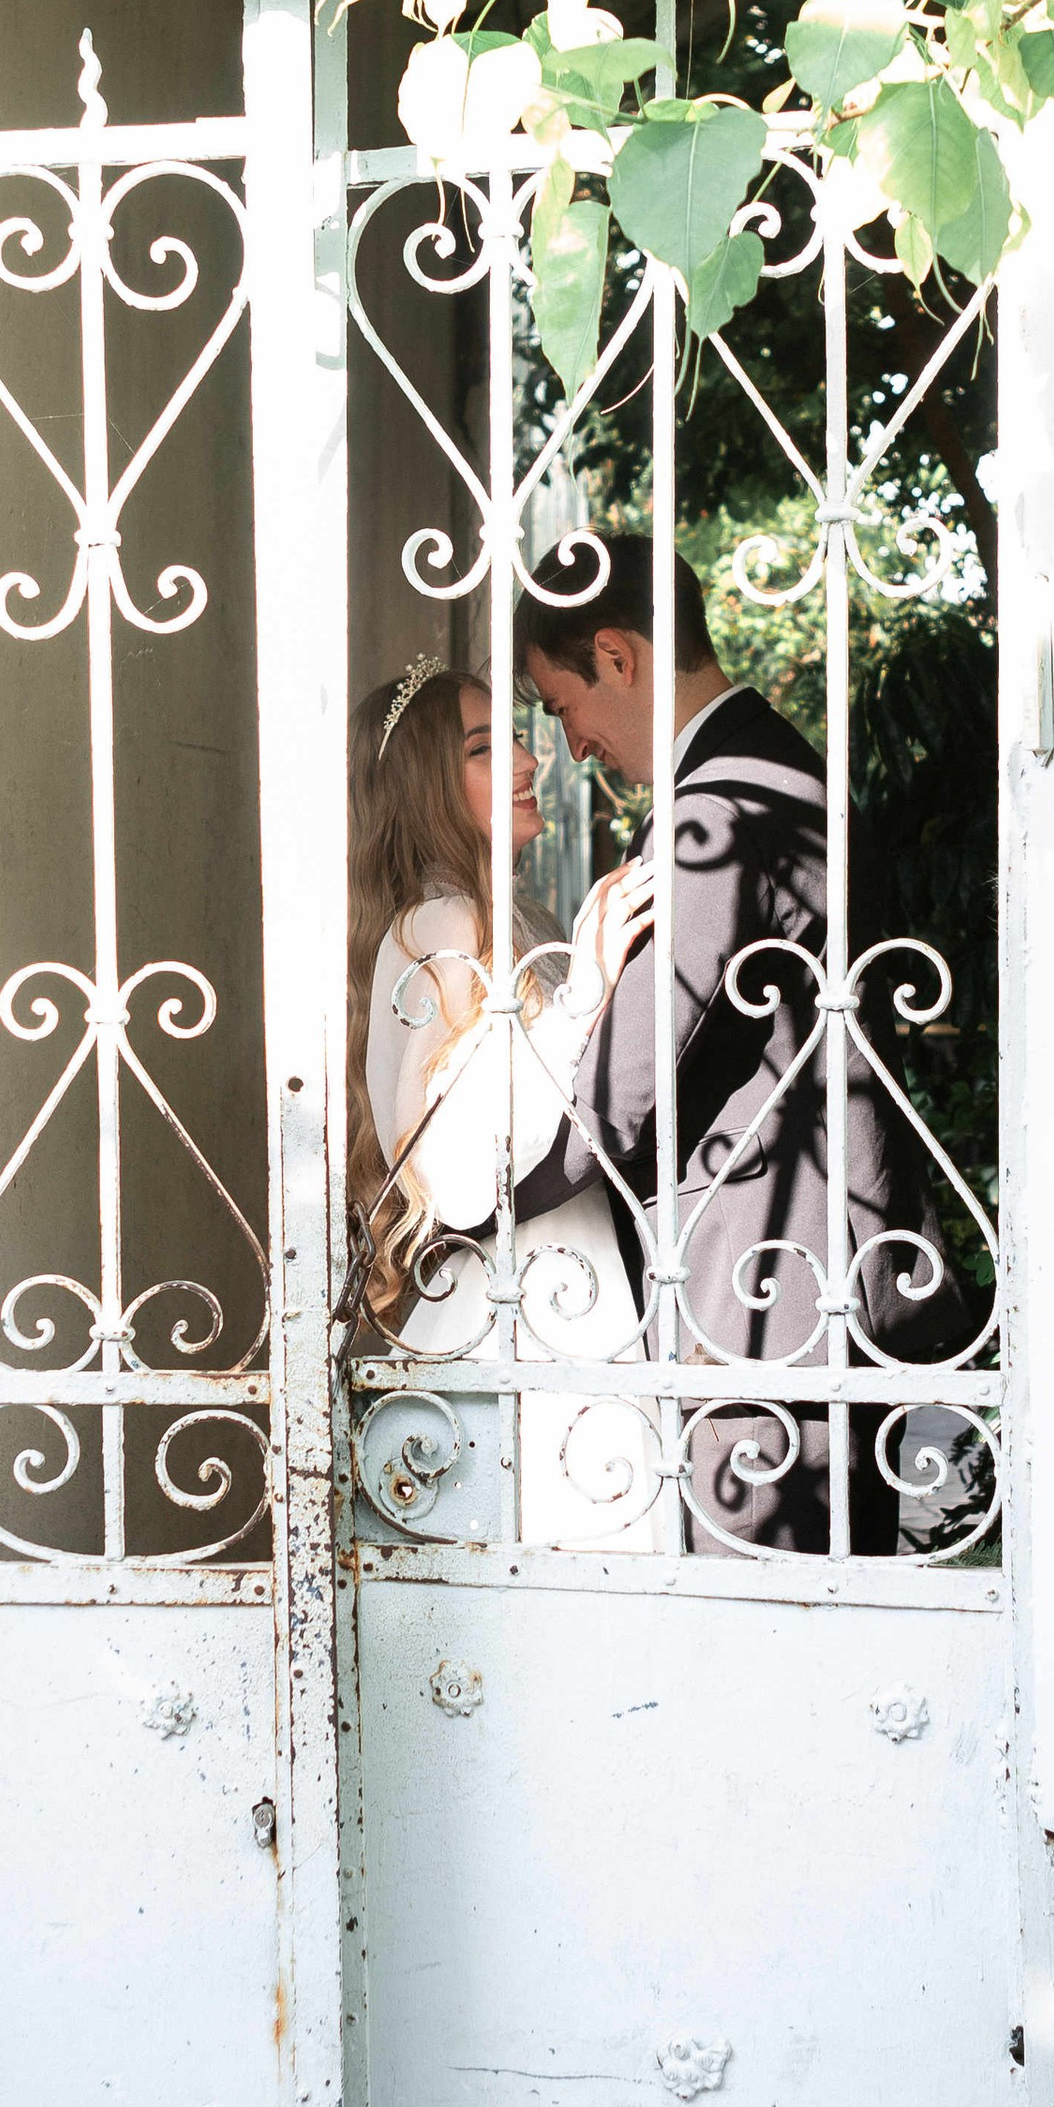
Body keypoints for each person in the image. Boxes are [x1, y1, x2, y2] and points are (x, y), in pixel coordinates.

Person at [513, 535, 969, 1556]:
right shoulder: (768, 767)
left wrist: (475, 1208)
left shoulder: (714, 812)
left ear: (617, 657)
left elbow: (622, 1091)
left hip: (762, 1300)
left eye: (559, 705)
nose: (573, 746)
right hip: (816, 1272)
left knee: (759, 1626)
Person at [345, 655, 666, 1549]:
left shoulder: (493, 918)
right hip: (513, 1327)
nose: (530, 761)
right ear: (427, 791)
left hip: (550, 1301)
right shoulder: (442, 927)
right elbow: (453, 1175)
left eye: (516, 738)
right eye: (489, 749)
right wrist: (587, 987)